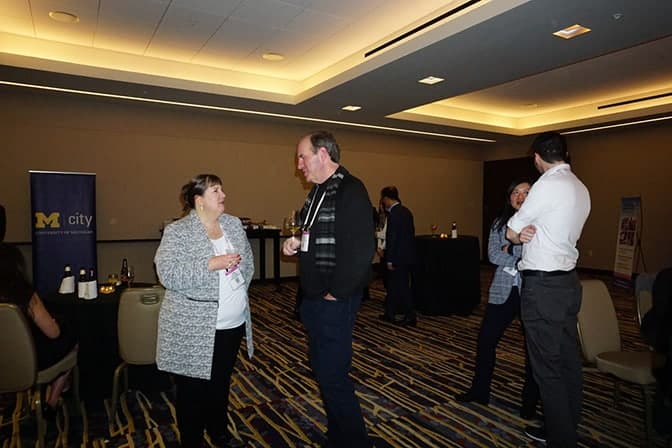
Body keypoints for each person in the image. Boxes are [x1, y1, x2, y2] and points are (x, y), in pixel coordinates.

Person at [282, 131, 374, 447]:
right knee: (323, 371)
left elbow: (362, 250)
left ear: (322, 154)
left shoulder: (351, 189)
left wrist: (336, 293)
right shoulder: (318, 192)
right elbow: (316, 235)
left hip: (334, 299)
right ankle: (338, 436)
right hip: (315, 297)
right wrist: (297, 243)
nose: (298, 165)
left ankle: (356, 441)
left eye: (302, 156)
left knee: (333, 376)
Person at [155, 174, 254, 448]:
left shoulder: (233, 224)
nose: (223, 194)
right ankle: (192, 440)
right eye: (215, 190)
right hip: (194, 326)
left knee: (220, 384)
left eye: (222, 188)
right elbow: (168, 273)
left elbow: (247, 262)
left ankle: (219, 432)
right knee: (193, 391)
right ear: (199, 201)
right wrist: (211, 264)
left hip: (232, 324)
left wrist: (237, 282)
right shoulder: (179, 232)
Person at [506, 132, 590, 447]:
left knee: (547, 367)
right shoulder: (579, 187)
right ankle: (565, 423)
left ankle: (561, 437)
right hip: (568, 283)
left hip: (543, 286)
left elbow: (513, 230)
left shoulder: (546, 186)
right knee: (568, 361)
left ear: (537, 157)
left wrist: (518, 235)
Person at [456, 179, 540, 418]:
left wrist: (510, 250)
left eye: (526, 192)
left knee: (532, 349)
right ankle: (479, 391)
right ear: (509, 197)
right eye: (515, 192)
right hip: (502, 290)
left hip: (531, 292)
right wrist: (520, 254)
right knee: (485, 342)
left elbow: (535, 254)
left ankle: (530, 402)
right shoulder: (499, 223)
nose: (520, 197)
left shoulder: (541, 223)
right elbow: (493, 255)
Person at [0, 242, 77, 413]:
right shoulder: (24, 294)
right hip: (27, 362)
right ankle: (52, 401)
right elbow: (53, 332)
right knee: (72, 339)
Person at [378, 186, 417, 326]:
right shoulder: (406, 212)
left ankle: (410, 315)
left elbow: (392, 238)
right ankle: (389, 312)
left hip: (397, 257)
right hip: (407, 256)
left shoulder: (393, 214)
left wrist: (390, 259)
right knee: (395, 287)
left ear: (387, 198)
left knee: (401, 287)